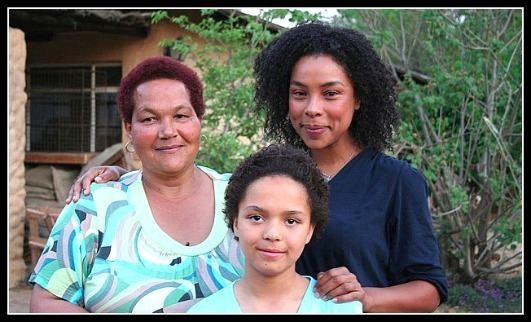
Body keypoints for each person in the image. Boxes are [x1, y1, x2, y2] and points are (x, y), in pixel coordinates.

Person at [67, 23, 448, 312]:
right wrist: (119, 175)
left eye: (330, 93)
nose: (312, 108)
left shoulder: (397, 181)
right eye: (299, 93)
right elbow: (206, 188)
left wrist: (363, 297)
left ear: (359, 97)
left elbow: (429, 288)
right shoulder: (273, 174)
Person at [28, 56, 246, 313]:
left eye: (181, 115)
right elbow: (46, 303)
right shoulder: (94, 207)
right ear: (128, 128)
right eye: (149, 119)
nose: (168, 131)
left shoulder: (244, 199)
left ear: (199, 121)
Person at [188, 144, 363, 313]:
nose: (272, 234)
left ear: (310, 230)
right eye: (256, 217)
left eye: (291, 221)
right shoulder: (204, 311)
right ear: (235, 222)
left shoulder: (342, 307)